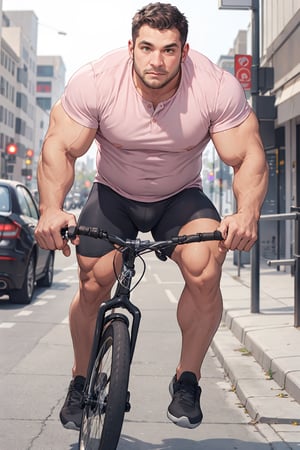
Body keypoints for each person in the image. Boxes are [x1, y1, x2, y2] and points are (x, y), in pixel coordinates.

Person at [35, 2, 268, 431]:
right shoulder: (98, 80)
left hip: (180, 197)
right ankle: (80, 378)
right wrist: (51, 209)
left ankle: (187, 379)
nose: (156, 60)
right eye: (147, 47)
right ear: (131, 47)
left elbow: (248, 155)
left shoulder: (214, 87)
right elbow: (60, 148)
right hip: (113, 195)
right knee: (93, 280)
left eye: (168, 49)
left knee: (205, 268)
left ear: (184, 50)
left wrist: (246, 213)